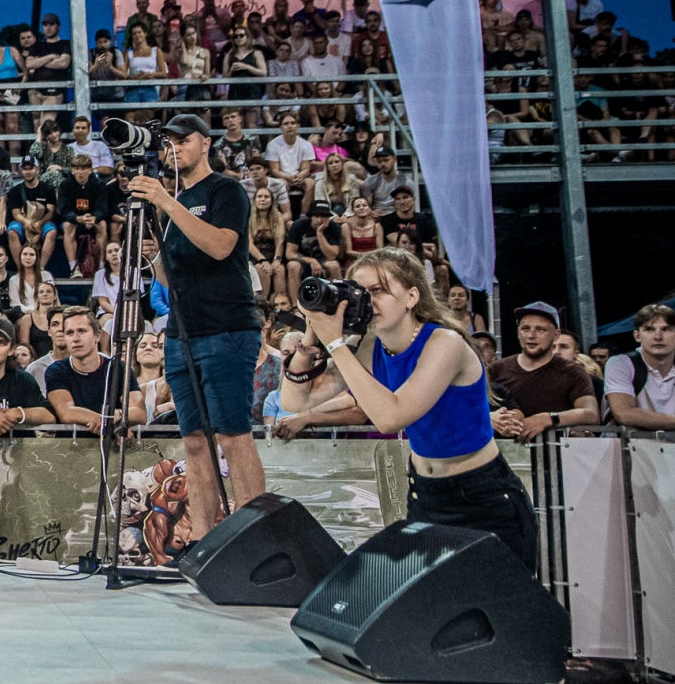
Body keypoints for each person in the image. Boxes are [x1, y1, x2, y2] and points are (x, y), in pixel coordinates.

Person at [289, 247, 535, 570]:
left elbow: (391, 417)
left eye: (378, 290)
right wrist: (311, 335)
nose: (367, 301)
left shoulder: (445, 343)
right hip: (425, 492)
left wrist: (335, 344)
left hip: (482, 497)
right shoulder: (369, 346)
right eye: (359, 292)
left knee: (496, 600)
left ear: (411, 296)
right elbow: (296, 400)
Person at [127, 113, 266, 537]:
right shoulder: (175, 203)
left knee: (233, 437)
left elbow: (222, 247)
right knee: (194, 442)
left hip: (226, 326)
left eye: (183, 140)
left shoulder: (225, 190)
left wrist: (166, 203)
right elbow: (172, 278)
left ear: (206, 143)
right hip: (183, 331)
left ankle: (254, 539)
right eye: (169, 142)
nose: (174, 148)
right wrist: (151, 254)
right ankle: (203, 542)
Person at [488, 302, 600, 439]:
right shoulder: (497, 369)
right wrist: (488, 417)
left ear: (556, 335)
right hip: (505, 450)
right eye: (525, 328)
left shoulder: (572, 372)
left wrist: (548, 418)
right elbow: (469, 406)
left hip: (554, 450)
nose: (531, 335)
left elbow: (591, 414)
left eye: (540, 330)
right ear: (518, 332)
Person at [607, 302, 675, 430]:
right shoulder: (620, 363)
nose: (658, 337)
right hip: (629, 442)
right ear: (637, 336)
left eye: (666, 329)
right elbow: (625, 414)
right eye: (649, 329)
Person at [44, 308, 114, 429]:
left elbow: (139, 412)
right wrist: (108, 422)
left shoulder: (116, 368)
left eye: (82, 331)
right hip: (71, 441)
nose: (75, 338)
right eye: (69, 333)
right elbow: (66, 413)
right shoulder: (56, 371)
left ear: (97, 335)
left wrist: (116, 416)